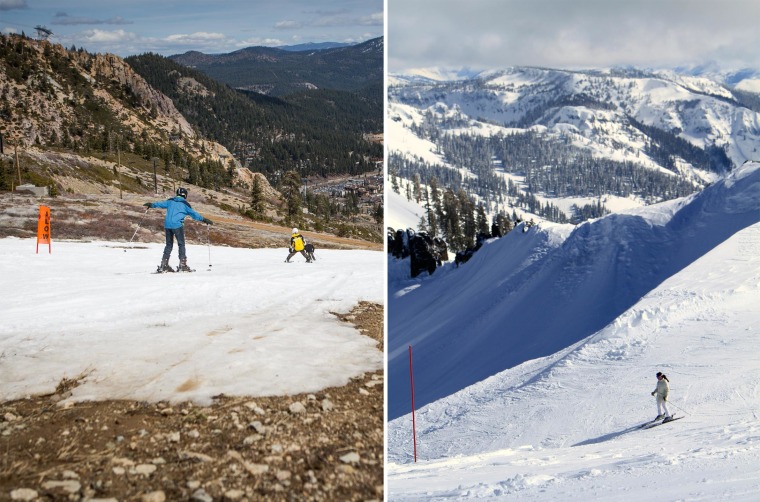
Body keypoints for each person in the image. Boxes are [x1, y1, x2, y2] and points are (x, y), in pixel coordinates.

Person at [144, 187, 213, 272]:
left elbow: (160, 204)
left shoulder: (170, 201)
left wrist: (151, 205)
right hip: (177, 226)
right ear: (185, 195)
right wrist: (204, 220)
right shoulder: (185, 204)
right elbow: (194, 214)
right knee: (181, 244)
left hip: (167, 225)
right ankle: (182, 265)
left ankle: (163, 265)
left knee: (169, 245)